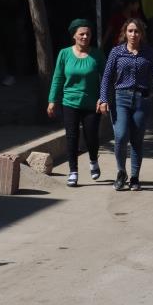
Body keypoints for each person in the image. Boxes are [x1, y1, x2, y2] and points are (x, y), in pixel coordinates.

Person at [97, 18, 153, 191]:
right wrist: (103, 98)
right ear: (125, 33)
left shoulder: (149, 53)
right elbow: (107, 77)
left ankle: (135, 177)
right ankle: (121, 172)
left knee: (137, 140)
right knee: (121, 135)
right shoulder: (116, 52)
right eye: (130, 31)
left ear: (141, 34)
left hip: (142, 100)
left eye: (136, 31)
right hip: (120, 98)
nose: (133, 34)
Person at [47, 19, 106, 186]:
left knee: (91, 137)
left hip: (91, 104)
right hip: (69, 102)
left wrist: (104, 98)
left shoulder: (97, 54)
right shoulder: (64, 54)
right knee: (71, 137)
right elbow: (58, 78)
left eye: (88, 34)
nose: (85, 36)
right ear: (74, 35)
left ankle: (93, 161)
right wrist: (52, 100)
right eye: (81, 34)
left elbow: (107, 78)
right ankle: (73, 171)